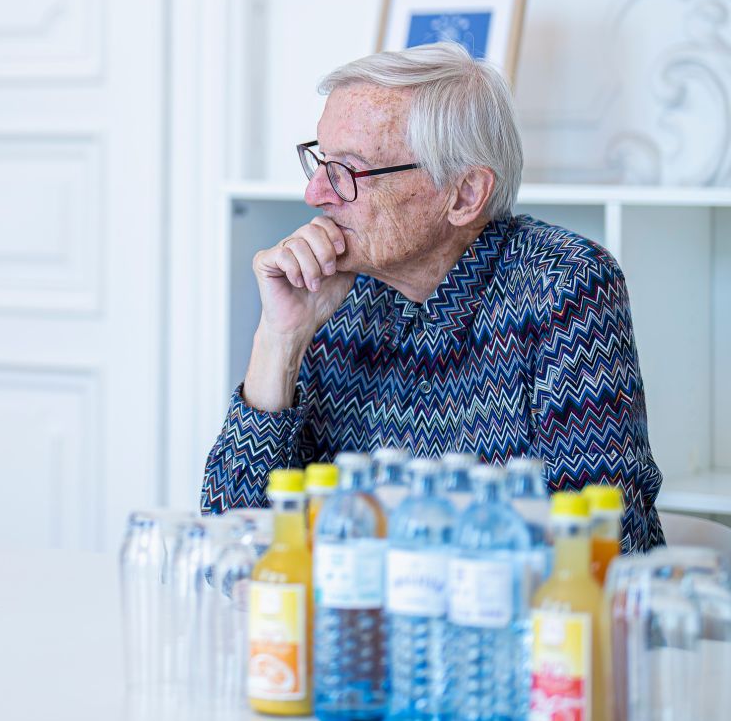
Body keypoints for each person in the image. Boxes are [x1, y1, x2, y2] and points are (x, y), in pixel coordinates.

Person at [200, 43, 664, 551]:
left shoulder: (563, 284)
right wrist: (280, 340)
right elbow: (231, 544)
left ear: (464, 195)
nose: (316, 194)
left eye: (349, 171)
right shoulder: (337, 292)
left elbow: (602, 548)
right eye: (320, 161)